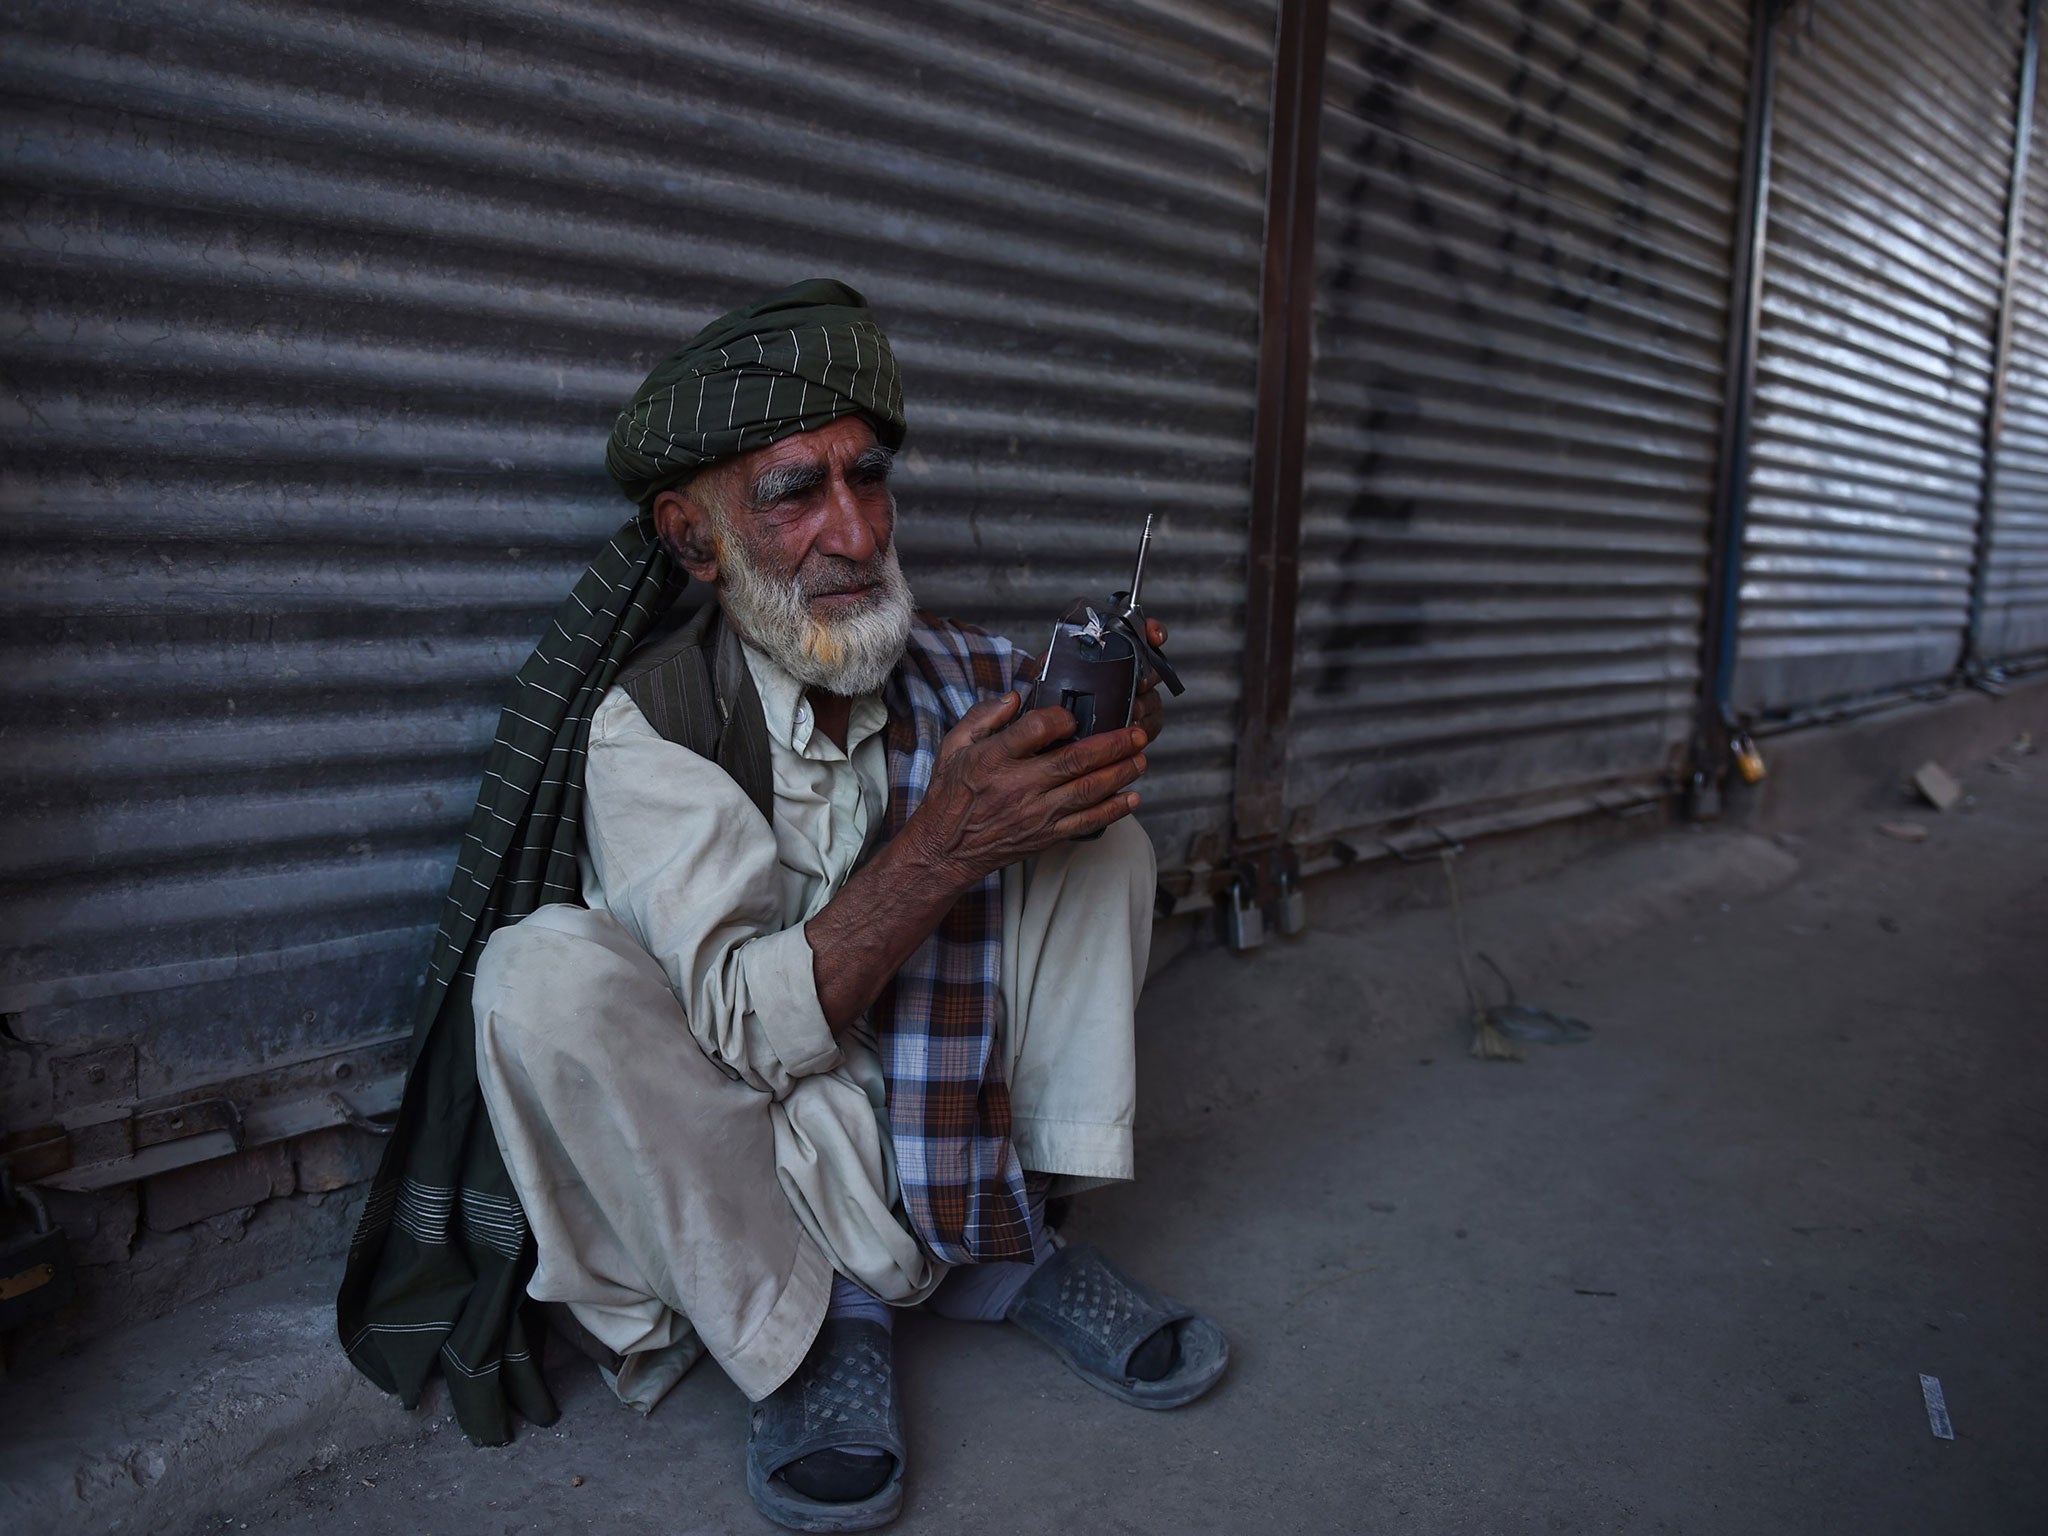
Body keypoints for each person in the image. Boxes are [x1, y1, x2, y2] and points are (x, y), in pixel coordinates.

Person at [343, 280, 1225, 1532]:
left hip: (939, 1095)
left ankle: (1008, 1241)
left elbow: (1052, 830)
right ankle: (810, 1332)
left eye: (868, 481)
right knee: (535, 977)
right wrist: (941, 846)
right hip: (760, 1132)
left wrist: (1089, 747)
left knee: (1104, 846)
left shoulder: (965, 672)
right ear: (694, 542)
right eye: (792, 493)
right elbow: (738, 1047)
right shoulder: (653, 728)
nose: (856, 535)